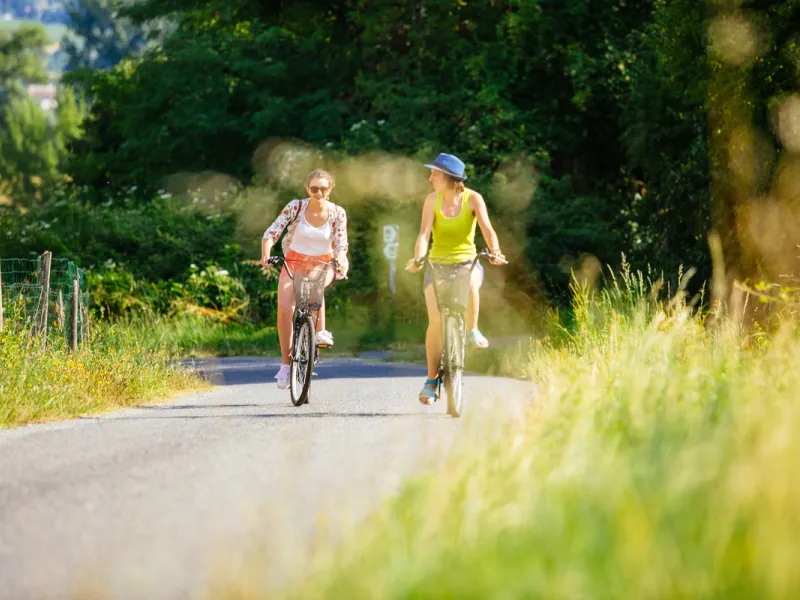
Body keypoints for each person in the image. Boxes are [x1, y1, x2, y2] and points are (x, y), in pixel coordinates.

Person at [406, 153, 505, 404]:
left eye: (435, 174)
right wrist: (419, 257)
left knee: (471, 280)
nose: (430, 178)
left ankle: (472, 330)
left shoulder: (473, 199)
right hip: (437, 264)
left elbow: (488, 229)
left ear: (450, 178)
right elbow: (423, 235)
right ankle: (431, 381)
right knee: (436, 321)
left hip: (466, 262)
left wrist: (495, 252)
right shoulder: (432, 200)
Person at [261, 169, 349, 389]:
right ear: (307, 189)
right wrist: (265, 254)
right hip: (294, 262)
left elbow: (341, 244)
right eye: (314, 188)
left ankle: (321, 332)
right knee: (284, 309)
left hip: (323, 262)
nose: (319, 192)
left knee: (314, 288)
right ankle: (285, 365)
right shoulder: (295, 207)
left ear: (330, 190)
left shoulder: (337, 213)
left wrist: (340, 258)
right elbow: (272, 232)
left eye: (323, 188)